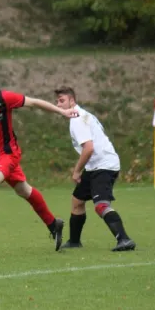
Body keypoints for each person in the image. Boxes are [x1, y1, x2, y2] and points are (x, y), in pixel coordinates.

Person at [0, 70, 78, 252]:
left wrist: (62, 112)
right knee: (24, 191)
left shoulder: (4, 98)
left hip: (9, 155)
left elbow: (34, 103)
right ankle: (53, 224)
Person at [54, 86, 136, 251]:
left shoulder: (77, 119)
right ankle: (75, 242)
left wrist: (76, 171)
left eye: (62, 100)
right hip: (95, 166)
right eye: (57, 101)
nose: (58, 104)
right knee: (77, 201)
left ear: (72, 100)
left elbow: (89, 148)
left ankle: (124, 240)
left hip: (104, 165)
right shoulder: (82, 115)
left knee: (101, 205)